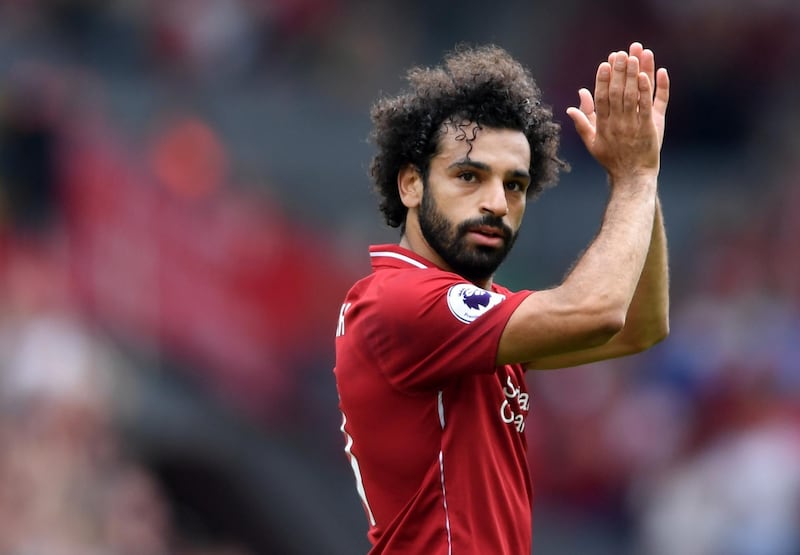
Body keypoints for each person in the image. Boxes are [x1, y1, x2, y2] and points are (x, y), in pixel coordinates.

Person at [333, 41, 670, 554]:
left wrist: (643, 177)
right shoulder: (399, 302)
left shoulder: (465, 320)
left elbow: (640, 326)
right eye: (469, 176)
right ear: (410, 185)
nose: (496, 202)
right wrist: (634, 180)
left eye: (515, 185)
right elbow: (598, 310)